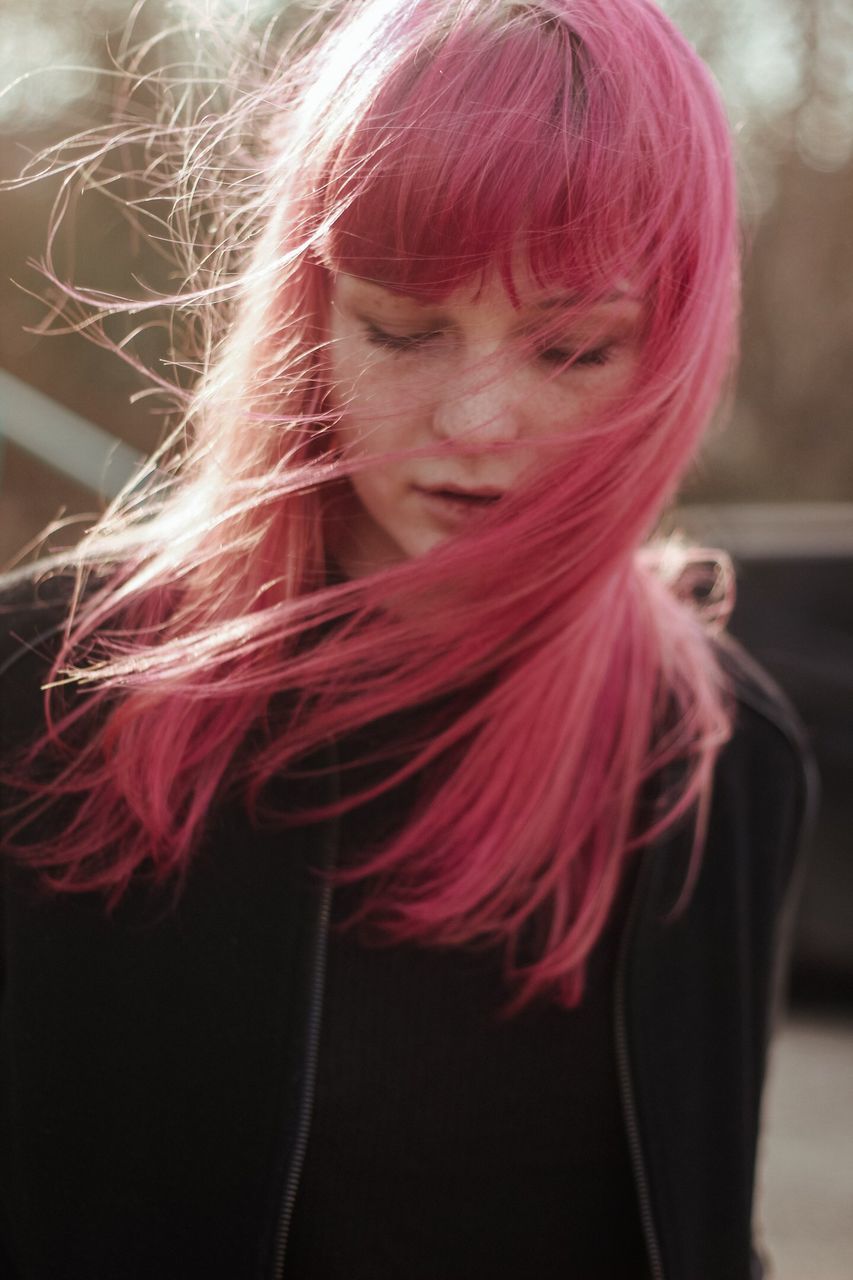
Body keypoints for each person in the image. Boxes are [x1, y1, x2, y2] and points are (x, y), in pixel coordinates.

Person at [0, 0, 813, 1277]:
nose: (476, 417)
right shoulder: (42, 690)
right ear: (306, 314)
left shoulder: (723, 759)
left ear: (671, 350)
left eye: (571, 347)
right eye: (402, 326)